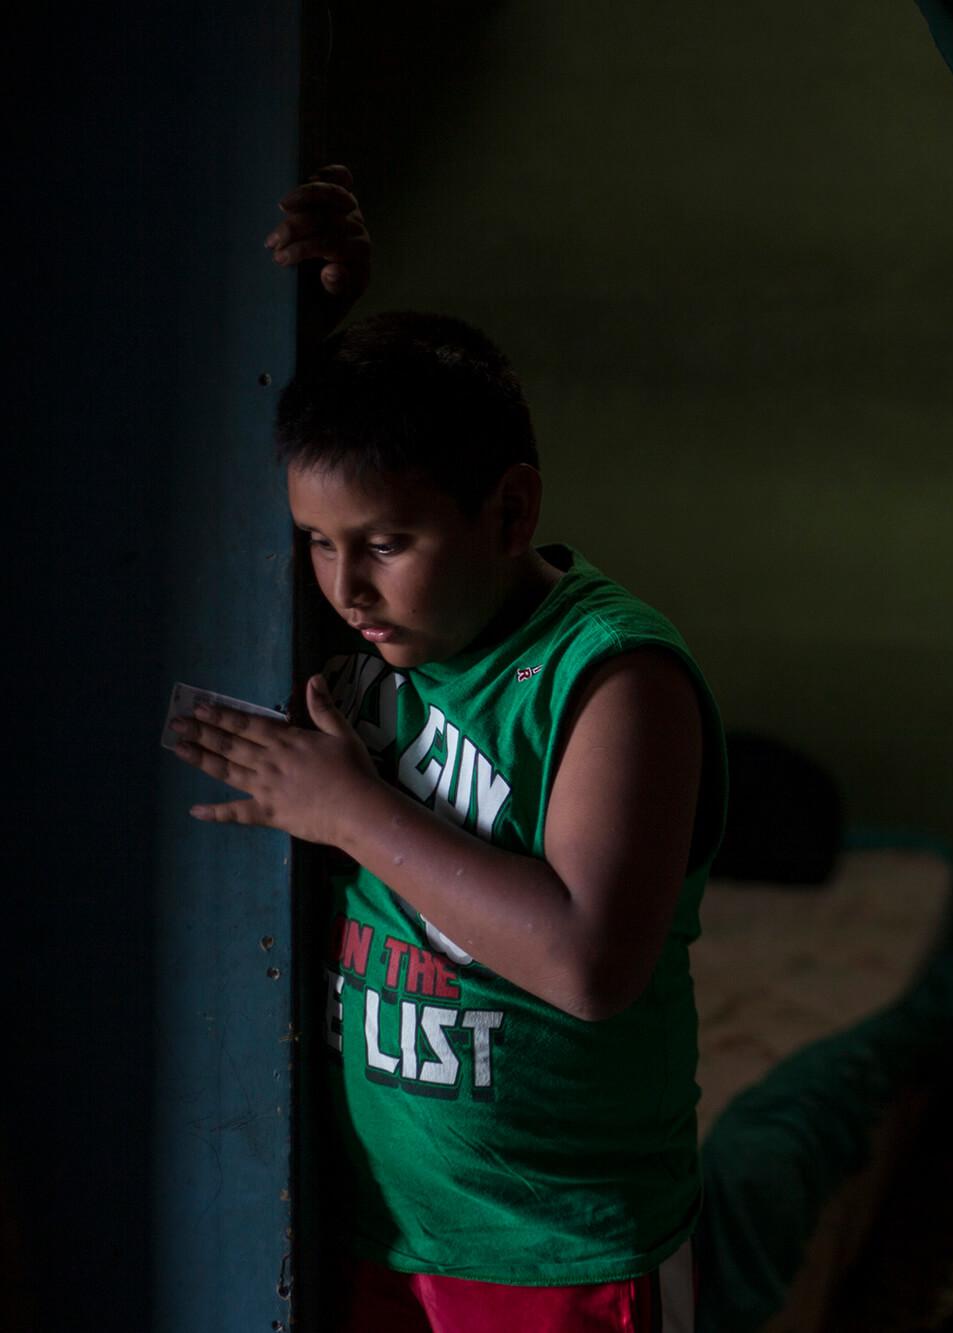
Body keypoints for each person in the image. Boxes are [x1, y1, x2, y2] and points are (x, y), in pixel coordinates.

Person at [168, 167, 725, 1332]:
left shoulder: (612, 675)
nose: (345, 583)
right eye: (318, 545)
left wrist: (352, 814)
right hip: (380, 1225)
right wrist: (315, 316)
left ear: (510, 512)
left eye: (386, 542)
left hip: (563, 1253)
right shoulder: (371, 639)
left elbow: (587, 963)